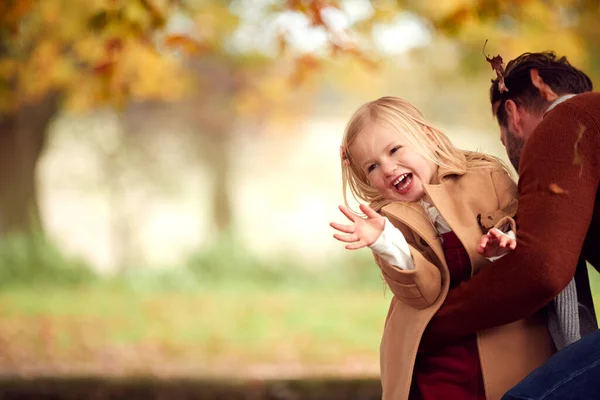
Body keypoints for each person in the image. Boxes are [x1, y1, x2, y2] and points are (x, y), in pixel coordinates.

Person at [330, 96, 555, 400]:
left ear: (428, 136)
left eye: (394, 149)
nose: (387, 167)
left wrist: (503, 246)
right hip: (436, 352)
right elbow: (423, 291)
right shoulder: (385, 219)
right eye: (372, 166)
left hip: (504, 338)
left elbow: (523, 234)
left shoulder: (486, 175)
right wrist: (386, 242)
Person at [416, 51, 600, 398]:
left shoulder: (563, 122)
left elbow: (540, 270)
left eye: (503, 138)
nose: (509, 151)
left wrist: (431, 326)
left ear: (513, 114)